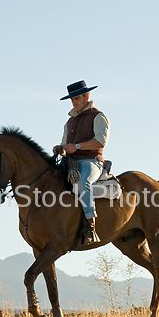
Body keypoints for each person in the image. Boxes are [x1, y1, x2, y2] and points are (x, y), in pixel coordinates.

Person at [53, 80, 110, 244]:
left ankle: (90, 225)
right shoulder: (69, 122)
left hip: (91, 162)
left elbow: (100, 141)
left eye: (76, 98)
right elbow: (65, 145)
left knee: (82, 183)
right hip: (71, 163)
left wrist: (77, 146)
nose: (74, 102)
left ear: (87, 96)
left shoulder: (98, 116)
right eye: (72, 100)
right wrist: (60, 148)